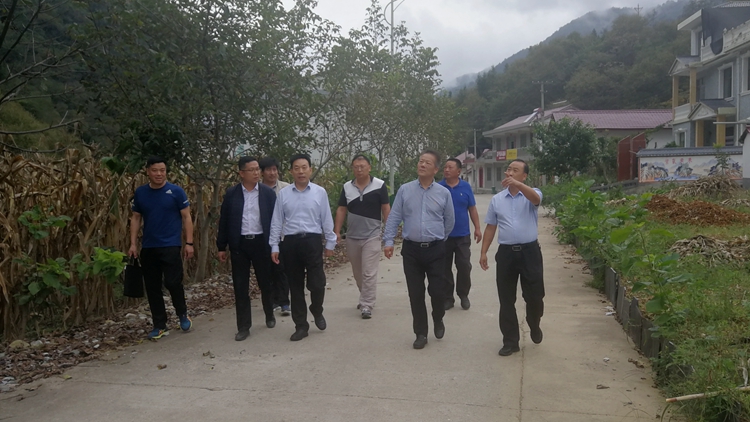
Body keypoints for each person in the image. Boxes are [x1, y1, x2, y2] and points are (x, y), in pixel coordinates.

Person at [383, 150, 455, 350]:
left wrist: (439, 239)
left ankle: (438, 317)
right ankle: (421, 333)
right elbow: (394, 216)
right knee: (416, 294)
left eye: (427, 162)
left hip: (435, 250)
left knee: (437, 291)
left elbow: (449, 221)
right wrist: (388, 241)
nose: (422, 165)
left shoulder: (443, 193)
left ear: (435, 169)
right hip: (412, 250)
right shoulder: (405, 190)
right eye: (420, 161)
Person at [479, 159, 544, 357]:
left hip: (530, 253)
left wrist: (518, 185)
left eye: (515, 170)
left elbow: (536, 199)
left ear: (524, 176)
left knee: (535, 296)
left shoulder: (532, 194)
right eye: (509, 169)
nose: (510, 172)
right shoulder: (497, 199)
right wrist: (483, 252)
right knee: (506, 299)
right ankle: (510, 341)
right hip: (506, 254)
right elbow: (491, 226)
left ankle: (534, 323)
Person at [269, 153, 337, 341]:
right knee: (295, 285)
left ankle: (317, 309)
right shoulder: (283, 194)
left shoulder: (319, 192)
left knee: (317, 283)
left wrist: (330, 242)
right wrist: (274, 246)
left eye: (304, 167)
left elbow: (326, 218)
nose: (301, 171)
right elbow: (276, 221)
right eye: (296, 168)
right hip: (290, 243)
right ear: (291, 171)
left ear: (310, 170)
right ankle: (301, 325)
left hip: (312, 241)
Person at [128, 156, 194, 340]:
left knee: (173, 282)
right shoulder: (141, 193)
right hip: (149, 245)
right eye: (155, 170)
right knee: (152, 286)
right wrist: (133, 243)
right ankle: (159, 324)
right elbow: (136, 218)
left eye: (162, 170)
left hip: (171, 244)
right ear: (148, 171)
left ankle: (182, 314)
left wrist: (189, 243)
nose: (159, 174)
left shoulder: (176, 192)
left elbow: (187, 217)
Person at [216, 156, 277, 341]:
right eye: (252, 170)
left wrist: (275, 244)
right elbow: (224, 221)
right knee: (240, 286)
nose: (257, 173)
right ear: (242, 173)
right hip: (239, 245)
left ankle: (269, 313)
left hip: (261, 243)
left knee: (265, 282)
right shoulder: (232, 194)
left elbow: (276, 220)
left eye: (258, 169)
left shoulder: (267, 193)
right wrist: (221, 246)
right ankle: (243, 326)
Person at [333, 154, 391, 319]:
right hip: (352, 236)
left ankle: (367, 304)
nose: (359, 169)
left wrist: (389, 233)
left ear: (369, 168)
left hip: (372, 235)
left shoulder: (379, 185)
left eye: (362, 166)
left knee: (368, 272)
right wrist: (336, 231)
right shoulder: (347, 187)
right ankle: (365, 295)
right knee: (358, 272)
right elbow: (341, 209)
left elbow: (386, 208)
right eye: (356, 167)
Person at [439, 158, 482, 311]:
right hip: (443, 236)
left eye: (450, 167)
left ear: (458, 171)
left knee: (464, 266)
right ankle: (448, 298)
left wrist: (477, 228)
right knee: (444, 268)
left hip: (462, 235)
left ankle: (463, 294)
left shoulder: (465, 187)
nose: (446, 170)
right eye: (445, 167)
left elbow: (472, 208)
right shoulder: (438, 187)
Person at [259, 157, 291, 317]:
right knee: (267, 269)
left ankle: (284, 302)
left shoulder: (286, 188)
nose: (272, 173)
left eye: (274, 169)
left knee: (281, 268)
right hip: (263, 235)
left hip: (282, 235)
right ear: (262, 172)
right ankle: (272, 300)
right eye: (268, 170)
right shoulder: (257, 189)